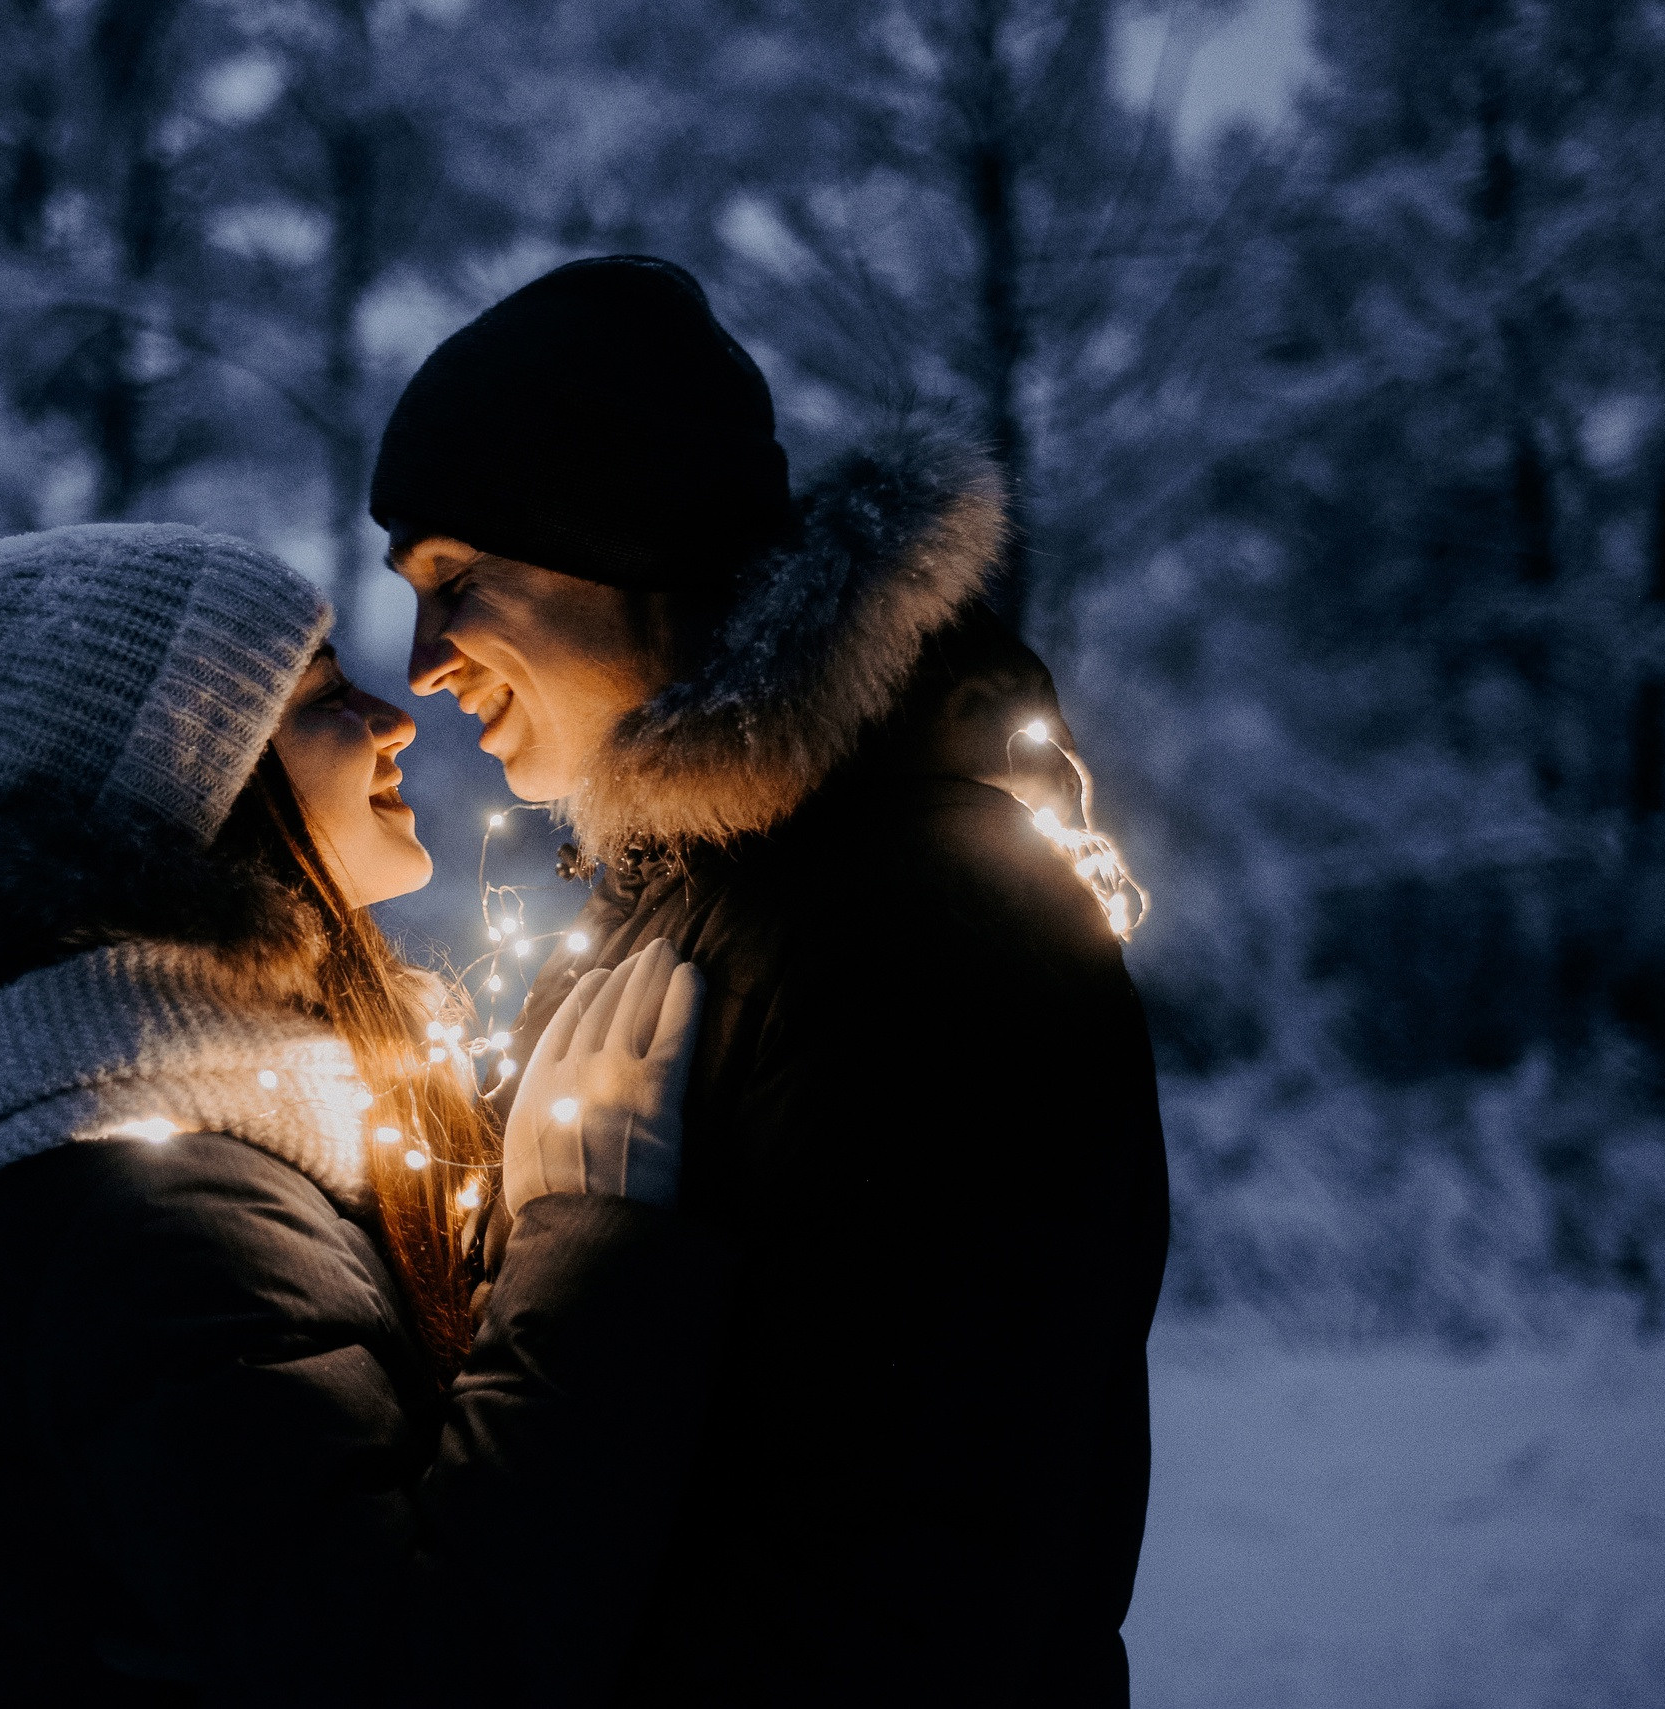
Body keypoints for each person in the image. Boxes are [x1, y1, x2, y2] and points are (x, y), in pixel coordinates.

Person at [375, 256, 1172, 1705]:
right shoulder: (696, 898)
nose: (424, 662)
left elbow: (923, 1566)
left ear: (612, 540)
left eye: (456, 580)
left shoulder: (931, 921)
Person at [0, 521, 722, 1706]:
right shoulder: (156, 1221)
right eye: (316, 692)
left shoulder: (191, 1152)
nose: (394, 719)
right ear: (185, 785)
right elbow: (413, 1671)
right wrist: (590, 1256)